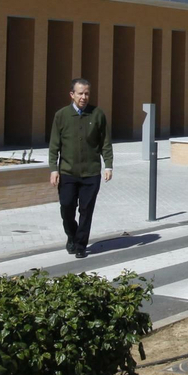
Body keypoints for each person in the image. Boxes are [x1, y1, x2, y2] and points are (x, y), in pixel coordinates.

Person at [47, 77, 113, 258]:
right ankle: (72, 235)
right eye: (80, 93)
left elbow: (105, 143)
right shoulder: (61, 115)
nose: (84, 97)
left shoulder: (97, 114)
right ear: (72, 94)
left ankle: (81, 245)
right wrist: (54, 169)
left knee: (86, 209)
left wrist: (108, 165)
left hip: (91, 173)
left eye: (87, 93)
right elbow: (54, 145)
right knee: (66, 207)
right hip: (67, 173)